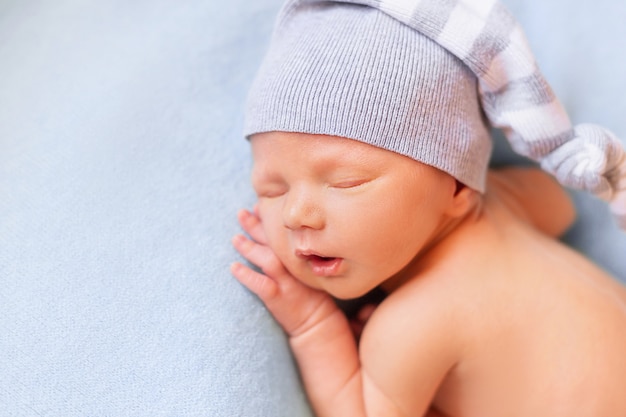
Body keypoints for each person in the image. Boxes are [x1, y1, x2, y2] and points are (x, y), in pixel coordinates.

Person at [231, 0, 626, 416]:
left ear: (456, 186)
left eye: (346, 182)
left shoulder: (411, 326)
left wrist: (314, 324)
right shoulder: (508, 203)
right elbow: (561, 205)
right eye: (272, 189)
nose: (296, 215)